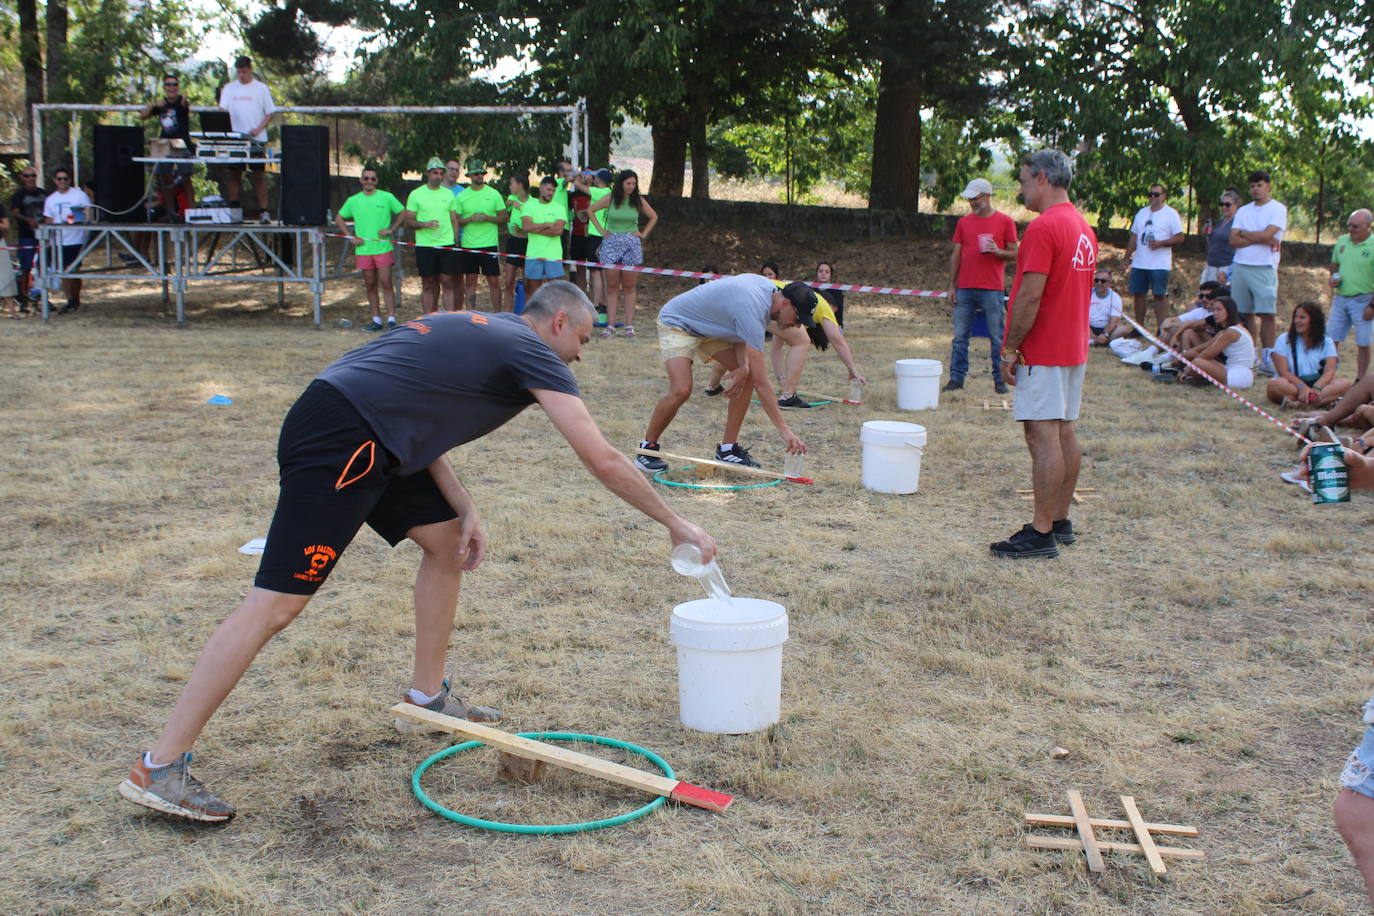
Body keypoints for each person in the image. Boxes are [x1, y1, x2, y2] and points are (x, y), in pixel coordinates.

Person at [117, 282, 717, 824]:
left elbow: (411, 408)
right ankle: (159, 766)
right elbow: (603, 459)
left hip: (361, 425)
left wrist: (463, 506)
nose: (581, 354)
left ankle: (428, 695)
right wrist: (675, 522)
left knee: (450, 542)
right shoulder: (530, 349)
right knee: (274, 604)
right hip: (345, 440)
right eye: (584, 338)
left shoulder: (476, 328)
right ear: (559, 321)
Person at [993, 149, 1097, 560]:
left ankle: (1040, 532)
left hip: (1045, 347)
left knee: (1042, 435)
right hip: (1072, 345)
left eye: (1021, 180)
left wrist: (1011, 347)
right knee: (1064, 431)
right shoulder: (1083, 227)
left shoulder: (1043, 228)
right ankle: (1059, 520)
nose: (1020, 189)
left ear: (1040, 178)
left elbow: (1030, 294)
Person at [636, 273, 813, 472]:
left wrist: (742, 366)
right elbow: (762, 383)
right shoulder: (753, 304)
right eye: (798, 318)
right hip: (678, 323)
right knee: (681, 389)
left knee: (747, 376)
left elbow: (737, 327)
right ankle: (647, 450)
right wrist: (786, 431)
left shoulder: (768, 297)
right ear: (786, 303)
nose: (797, 325)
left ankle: (728, 450)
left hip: (712, 328)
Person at [945, 177, 1018, 394]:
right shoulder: (964, 223)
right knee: (960, 338)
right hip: (965, 288)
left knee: (997, 338)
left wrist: (998, 252)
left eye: (975, 199)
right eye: (969, 200)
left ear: (987, 196)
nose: (972, 203)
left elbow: (1016, 253)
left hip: (992, 288)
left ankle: (999, 380)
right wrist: (952, 286)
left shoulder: (1005, 222)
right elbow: (956, 255)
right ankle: (956, 379)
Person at [768, 262, 865, 408]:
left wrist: (782, 380)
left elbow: (776, 347)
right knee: (802, 342)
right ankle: (788, 397)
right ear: (833, 307)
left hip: (758, 296)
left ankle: (786, 393)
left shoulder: (795, 299)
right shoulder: (825, 308)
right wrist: (853, 371)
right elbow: (838, 341)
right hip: (763, 298)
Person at [334, 166, 405, 331]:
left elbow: (402, 212)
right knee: (370, 284)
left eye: (372, 178)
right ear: (361, 180)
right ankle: (376, 319)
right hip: (363, 250)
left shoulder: (386, 197)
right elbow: (339, 218)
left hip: (382, 247)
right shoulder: (353, 200)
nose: (369, 181)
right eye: (366, 178)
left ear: (377, 181)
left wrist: (392, 229)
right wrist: (350, 236)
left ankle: (392, 319)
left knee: (386, 282)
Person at [588, 169, 657, 338]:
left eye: (634, 184)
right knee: (611, 286)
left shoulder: (637, 200)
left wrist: (643, 233)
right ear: (621, 184)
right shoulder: (610, 199)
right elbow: (590, 211)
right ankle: (610, 325)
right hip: (611, 242)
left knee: (629, 286)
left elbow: (653, 216)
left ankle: (629, 325)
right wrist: (601, 230)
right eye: (628, 183)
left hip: (631, 243)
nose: (631, 187)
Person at [1229, 169, 1287, 352]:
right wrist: (1258, 237)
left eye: (1259, 185)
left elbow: (1268, 235)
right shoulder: (1243, 211)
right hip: (1241, 265)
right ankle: (1250, 352)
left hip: (1264, 267)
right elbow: (1233, 240)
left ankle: (1269, 354)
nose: (1256, 189)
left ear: (1268, 186)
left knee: (1267, 314)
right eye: (1252, 186)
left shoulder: (1278, 209)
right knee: (1244, 314)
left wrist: (1245, 234)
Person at [217, 56, 276, 223]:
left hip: (256, 138)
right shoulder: (229, 88)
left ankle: (264, 211)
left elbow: (269, 113)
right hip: (235, 139)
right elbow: (222, 110)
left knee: (259, 174)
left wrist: (258, 129)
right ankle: (234, 209)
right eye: (239, 71)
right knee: (234, 173)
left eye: (244, 71)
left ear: (250, 69)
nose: (242, 74)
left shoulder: (261, 88)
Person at [402, 157, 462, 313]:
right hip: (425, 245)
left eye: (442, 173)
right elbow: (408, 221)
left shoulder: (448, 194)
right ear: (428, 173)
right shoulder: (416, 194)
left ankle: (449, 319)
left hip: (446, 243)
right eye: (435, 172)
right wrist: (424, 224)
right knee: (428, 282)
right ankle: (429, 319)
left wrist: (456, 241)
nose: (439, 176)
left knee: (448, 281)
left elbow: (454, 219)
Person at [1264, 302, 1349, 407]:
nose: (1297, 321)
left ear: (1313, 321)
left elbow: (1330, 371)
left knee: (1345, 384)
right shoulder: (1284, 339)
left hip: (1319, 386)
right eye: (1296, 317)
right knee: (1275, 385)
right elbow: (1283, 371)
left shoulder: (1327, 341)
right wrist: (1302, 387)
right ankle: (1320, 402)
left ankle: (1299, 403)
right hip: (1293, 384)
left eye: (1302, 318)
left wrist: (1316, 388)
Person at [1125, 183, 1185, 332]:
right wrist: (1127, 257)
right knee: (1138, 294)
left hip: (1159, 263)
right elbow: (1134, 236)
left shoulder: (1171, 214)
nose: (1153, 197)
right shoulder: (1141, 213)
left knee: (1159, 295)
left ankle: (1161, 329)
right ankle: (1139, 328)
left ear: (1164, 196)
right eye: (1150, 194)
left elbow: (1180, 237)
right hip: (1140, 262)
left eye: (1157, 194)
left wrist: (1161, 243)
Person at [1327, 208, 1374, 380]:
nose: (1351, 229)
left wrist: (1372, 306)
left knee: (1363, 342)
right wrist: (1333, 277)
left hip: (1364, 299)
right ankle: (1328, 376)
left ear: (1368, 226)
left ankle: (1360, 380)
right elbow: (1334, 264)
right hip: (1341, 297)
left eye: (1355, 226)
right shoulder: (1342, 241)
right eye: (1349, 225)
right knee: (1331, 339)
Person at [454, 159, 507, 312]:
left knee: (494, 281)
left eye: (481, 173)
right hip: (469, 244)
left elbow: (504, 217)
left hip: (489, 244)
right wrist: (470, 219)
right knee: (470, 281)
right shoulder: (462, 196)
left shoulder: (493, 194)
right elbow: (457, 220)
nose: (479, 176)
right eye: (476, 173)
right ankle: (471, 314)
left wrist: (488, 218)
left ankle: (498, 314)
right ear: (470, 176)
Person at [140, 73, 194, 221]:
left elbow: (186, 103)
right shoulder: (161, 104)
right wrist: (153, 105)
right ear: (164, 87)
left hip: (182, 144)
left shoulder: (181, 101)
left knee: (186, 178)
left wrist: (185, 99)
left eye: (174, 84)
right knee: (165, 179)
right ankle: (170, 212)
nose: (172, 87)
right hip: (165, 145)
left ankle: (191, 212)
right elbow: (142, 116)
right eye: (168, 85)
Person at [1175, 295, 1255, 389]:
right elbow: (1204, 348)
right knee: (1194, 356)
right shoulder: (1229, 330)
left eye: (1219, 310)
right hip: (1235, 371)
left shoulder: (1231, 332)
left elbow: (1206, 354)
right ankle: (1196, 378)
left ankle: (1196, 378)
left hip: (1239, 377)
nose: (1214, 313)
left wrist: (1187, 369)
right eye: (1214, 310)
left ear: (1229, 311)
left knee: (1198, 362)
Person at [41, 168, 92, 315]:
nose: (62, 181)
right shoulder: (51, 199)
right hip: (58, 240)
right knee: (63, 271)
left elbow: (88, 214)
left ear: (69, 180)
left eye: (65, 179)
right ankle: (70, 300)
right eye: (59, 179)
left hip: (76, 238)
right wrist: (47, 238)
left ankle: (75, 298)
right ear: (54, 181)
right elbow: (48, 219)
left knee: (74, 269)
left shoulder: (80, 195)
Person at [520, 175, 568, 296]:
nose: (551, 193)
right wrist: (546, 225)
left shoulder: (559, 208)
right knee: (533, 292)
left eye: (553, 191)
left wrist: (535, 228)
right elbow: (526, 227)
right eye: (548, 189)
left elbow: (558, 231)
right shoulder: (529, 206)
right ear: (541, 188)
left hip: (553, 255)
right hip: (533, 254)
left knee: (555, 292)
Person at [8, 166, 45, 311]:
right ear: (22, 178)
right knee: (26, 268)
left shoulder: (43, 193)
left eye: (33, 175)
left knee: (43, 267)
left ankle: (43, 297)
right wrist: (27, 220)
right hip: (26, 235)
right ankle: (24, 299)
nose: (30, 178)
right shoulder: (19, 195)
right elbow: (14, 212)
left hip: (42, 234)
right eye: (27, 176)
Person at [585, 168, 613, 323]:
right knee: (604, 272)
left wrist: (582, 177)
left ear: (599, 180)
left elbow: (578, 185)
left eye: (595, 177)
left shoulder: (598, 192)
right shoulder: (611, 193)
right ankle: (605, 304)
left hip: (597, 235)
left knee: (596, 272)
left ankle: (596, 304)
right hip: (606, 235)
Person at [502, 172, 531, 308]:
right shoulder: (511, 198)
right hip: (513, 241)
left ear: (519, 185)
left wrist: (524, 230)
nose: (509, 186)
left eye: (511, 183)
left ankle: (524, 312)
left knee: (527, 283)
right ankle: (507, 313)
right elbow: (505, 210)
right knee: (508, 282)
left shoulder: (533, 202)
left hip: (527, 243)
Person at [1201, 188, 1240, 285]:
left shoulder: (1238, 222)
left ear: (1236, 205)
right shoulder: (1221, 220)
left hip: (1225, 267)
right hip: (1211, 265)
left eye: (1228, 205)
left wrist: (1229, 272)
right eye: (1221, 204)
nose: (1224, 207)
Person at [1088, 270, 1125, 345]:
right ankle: (1099, 341)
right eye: (1096, 280)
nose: (1099, 283)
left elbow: (1114, 320)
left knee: (1123, 329)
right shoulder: (1087, 294)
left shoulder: (1115, 298)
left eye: (1103, 281)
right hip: (1089, 327)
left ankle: (1096, 341)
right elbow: (1081, 317)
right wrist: (1090, 332)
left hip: (1107, 329)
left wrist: (1105, 334)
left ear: (1109, 283)